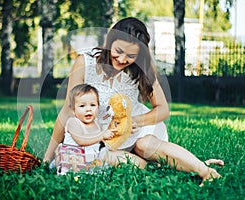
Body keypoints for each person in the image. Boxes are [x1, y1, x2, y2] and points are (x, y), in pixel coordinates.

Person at [44, 17, 224, 183]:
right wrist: (46, 160)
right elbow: (69, 111)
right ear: (110, 42)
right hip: (106, 139)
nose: (122, 59)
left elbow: (162, 109)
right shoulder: (85, 62)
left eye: (131, 56)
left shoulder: (141, 70)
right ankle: (176, 163)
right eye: (118, 51)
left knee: (143, 144)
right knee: (107, 157)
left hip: (139, 129)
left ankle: (205, 171)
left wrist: (136, 121)